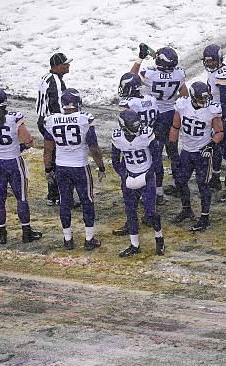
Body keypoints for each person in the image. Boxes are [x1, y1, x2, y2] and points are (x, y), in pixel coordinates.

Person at [0, 88, 43, 244]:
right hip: (13, 162)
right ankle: (26, 233)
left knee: (0, 199)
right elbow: (29, 141)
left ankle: (2, 233)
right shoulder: (14, 118)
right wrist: (19, 148)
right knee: (21, 198)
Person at [43, 88, 106, 250]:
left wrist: (48, 169)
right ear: (78, 103)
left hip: (62, 167)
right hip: (79, 167)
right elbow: (94, 148)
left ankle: (68, 239)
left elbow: (48, 150)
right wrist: (101, 167)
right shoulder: (84, 119)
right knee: (87, 201)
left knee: (65, 202)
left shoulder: (51, 120)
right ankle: (89, 239)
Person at [131, 45, 188, 202]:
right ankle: (180, 184)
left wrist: (140, 58)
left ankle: (158, 191)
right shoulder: (179, 73)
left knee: (155, 154)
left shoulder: (149, 74)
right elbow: (184, 94)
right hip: (171, 114)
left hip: (155, 116)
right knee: (173, 152)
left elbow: (130, 79)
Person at [167, 81, 223, 231]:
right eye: (201, 99)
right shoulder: (182, 105)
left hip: (202, 152)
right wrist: (172, 147)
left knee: (202, 185)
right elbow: (175, 126)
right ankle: (187, 209)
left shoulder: (212, 109)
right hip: (186, 150)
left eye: (206, 98)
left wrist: (211, 145)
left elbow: (219, 132)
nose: (205, 102)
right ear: (192, 97)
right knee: (180, 181)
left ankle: (205, 217)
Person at [111, 110, 165, 257]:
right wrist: (123, 175)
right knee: (130, 211)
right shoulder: (118, 137)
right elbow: (115, 160)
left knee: (150, 212)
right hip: (130, 175)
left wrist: (149, 174)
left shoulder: (146, 134)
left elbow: (157, 157)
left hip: (146, 175)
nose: (137, 129)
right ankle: (134, 245)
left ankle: (159, 238)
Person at [112, 72, 159, 237]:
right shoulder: (151, 99)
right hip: (148, 140)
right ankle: (149, 214)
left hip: (134, 141)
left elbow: (125, 118)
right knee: (151, 176)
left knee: (130, 185)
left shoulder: (128, 103)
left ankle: (131, 220)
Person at [202, 44, 226, 202]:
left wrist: (219, 121)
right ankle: (216, 179)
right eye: (208, 61)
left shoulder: (223, 73)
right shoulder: (214, 72)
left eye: (212, 61)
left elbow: (225, 101)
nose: (210, 64)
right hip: (216, 116)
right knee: (215, 149)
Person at [36, 52, 71, 206]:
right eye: (65, 63)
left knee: (52, 156)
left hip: (43, 120)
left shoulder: (45, 77)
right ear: (57, 66)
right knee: (59, 158)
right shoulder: (56, 82)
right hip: (51, 123)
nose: (68, 65)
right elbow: (57, 105)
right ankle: (57, 195)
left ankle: (54, 193)